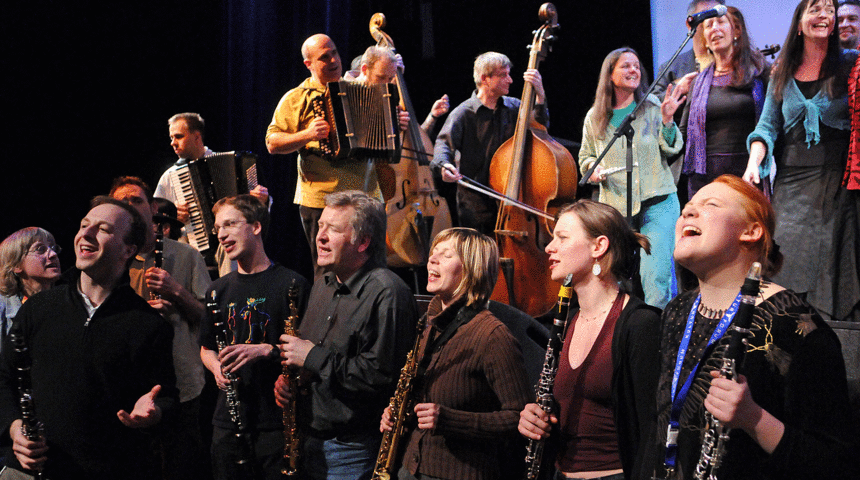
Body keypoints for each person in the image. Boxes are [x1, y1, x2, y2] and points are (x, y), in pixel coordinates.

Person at [648, 174, 858, 479]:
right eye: (687, 207)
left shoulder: (798, 328)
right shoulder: (678, 310)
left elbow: (836, 463)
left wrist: (754, 418)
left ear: (751, 231)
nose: (687, 212)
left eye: (710, 204)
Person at [0, 197, 178, 479]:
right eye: (84, 225)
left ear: (128, 249)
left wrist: (154, 414)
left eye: (103, 229)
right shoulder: (39, 308)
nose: (86, 233)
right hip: (28, 471)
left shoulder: (148, 324)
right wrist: (13, 427)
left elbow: (167, 399)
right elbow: (3, 378)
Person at [275, 190, 417, 479]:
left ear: (363, 242)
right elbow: (311, 358)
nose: (320, 236)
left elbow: (380, 376)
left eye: (334, 229)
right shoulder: (323, 284)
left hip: (352, 449)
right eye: (321, 226)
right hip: (308, 438)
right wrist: (289, 379)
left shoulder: (387, 292)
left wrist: (312, 357)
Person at [517, 201, 661, 480]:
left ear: (598, 246)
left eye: (562, 237)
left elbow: (651, 430)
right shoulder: (566, 323)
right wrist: (533, 418)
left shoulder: (641, 324)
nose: (549, 247)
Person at [378, 228, 531, 480]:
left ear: (472, 269)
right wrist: (398, 412)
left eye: (445, 255)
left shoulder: (492, 335)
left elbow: (519, 419)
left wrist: (451, 420)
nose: (432, 260)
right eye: (433, 253)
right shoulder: (430, 323)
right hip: (411, 468)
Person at [744, 0, 860, 321]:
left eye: (829, 9)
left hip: (837, 180)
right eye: (814, 9)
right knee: (786, 261)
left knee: (832, 269)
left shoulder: (851, 64)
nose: (823, 15)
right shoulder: (781, 71)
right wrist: (754, 163)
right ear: (799, 22)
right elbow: (767, 127)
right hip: (792, 183)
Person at [266, 37, 407, 273]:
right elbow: (272, 142)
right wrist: (308, 134)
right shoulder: (297, 97)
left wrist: (396, 123)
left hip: (367, 196)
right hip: (323, 201)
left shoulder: (360, 90)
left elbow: (381, 137)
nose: (333, 60)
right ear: (308, 63)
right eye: (324, 57)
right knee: (329, 272)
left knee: (374, 269)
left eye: (335, 53)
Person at [198, 194, 309, 480]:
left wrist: (264, 350)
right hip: (228, 422)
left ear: (256, 227)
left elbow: (310, 349)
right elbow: (206, 347)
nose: (221, 235)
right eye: (218, 228)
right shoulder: (216, 290)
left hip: (275, 423)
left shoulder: (292, 284)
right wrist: (215, 368)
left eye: (230, 225)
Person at [110, 176, 211, 480]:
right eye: (121, 202)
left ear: (152, 207)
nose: (129, 207)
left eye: (136, 200)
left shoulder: (187, 256)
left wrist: (176, 292)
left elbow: (209, 322)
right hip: (129, 388)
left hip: (183, 385)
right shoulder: (112, 261)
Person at [579, 47, 686, 309]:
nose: (633, 70)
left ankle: (660, 337)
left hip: (658, 203)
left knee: (656, 280)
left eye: (637, 66)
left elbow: (672, 148)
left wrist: (669, 121)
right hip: (616, 209)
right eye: (626, 66)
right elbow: (585, 157)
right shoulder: (594, 117)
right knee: (614, 280)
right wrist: (592, 168)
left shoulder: (652, 109)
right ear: (610, 74)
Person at [431, 51, 549, 235]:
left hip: (514, 198)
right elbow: (443, 145)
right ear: (485, 78)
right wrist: (444, 166)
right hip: (476, 205)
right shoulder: (463, 113)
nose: (510, 80)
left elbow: (541, 128)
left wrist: (540, 95)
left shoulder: (515, 107)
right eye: (503, 75)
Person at [680, 6, 770, 200]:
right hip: (706, 176)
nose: (714, 29)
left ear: (736, 31)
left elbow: (773, 121)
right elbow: (683, 134)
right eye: (708, 25)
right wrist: (667, 119)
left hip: (748, 170)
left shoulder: (759, 71)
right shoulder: (699, 82)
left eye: (720, 22)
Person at [0, 228, 61, 354]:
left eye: (53, 248)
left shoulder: (69, 302)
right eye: (40, 249)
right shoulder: (2, 307)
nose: (53, 254)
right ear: (16, 265)